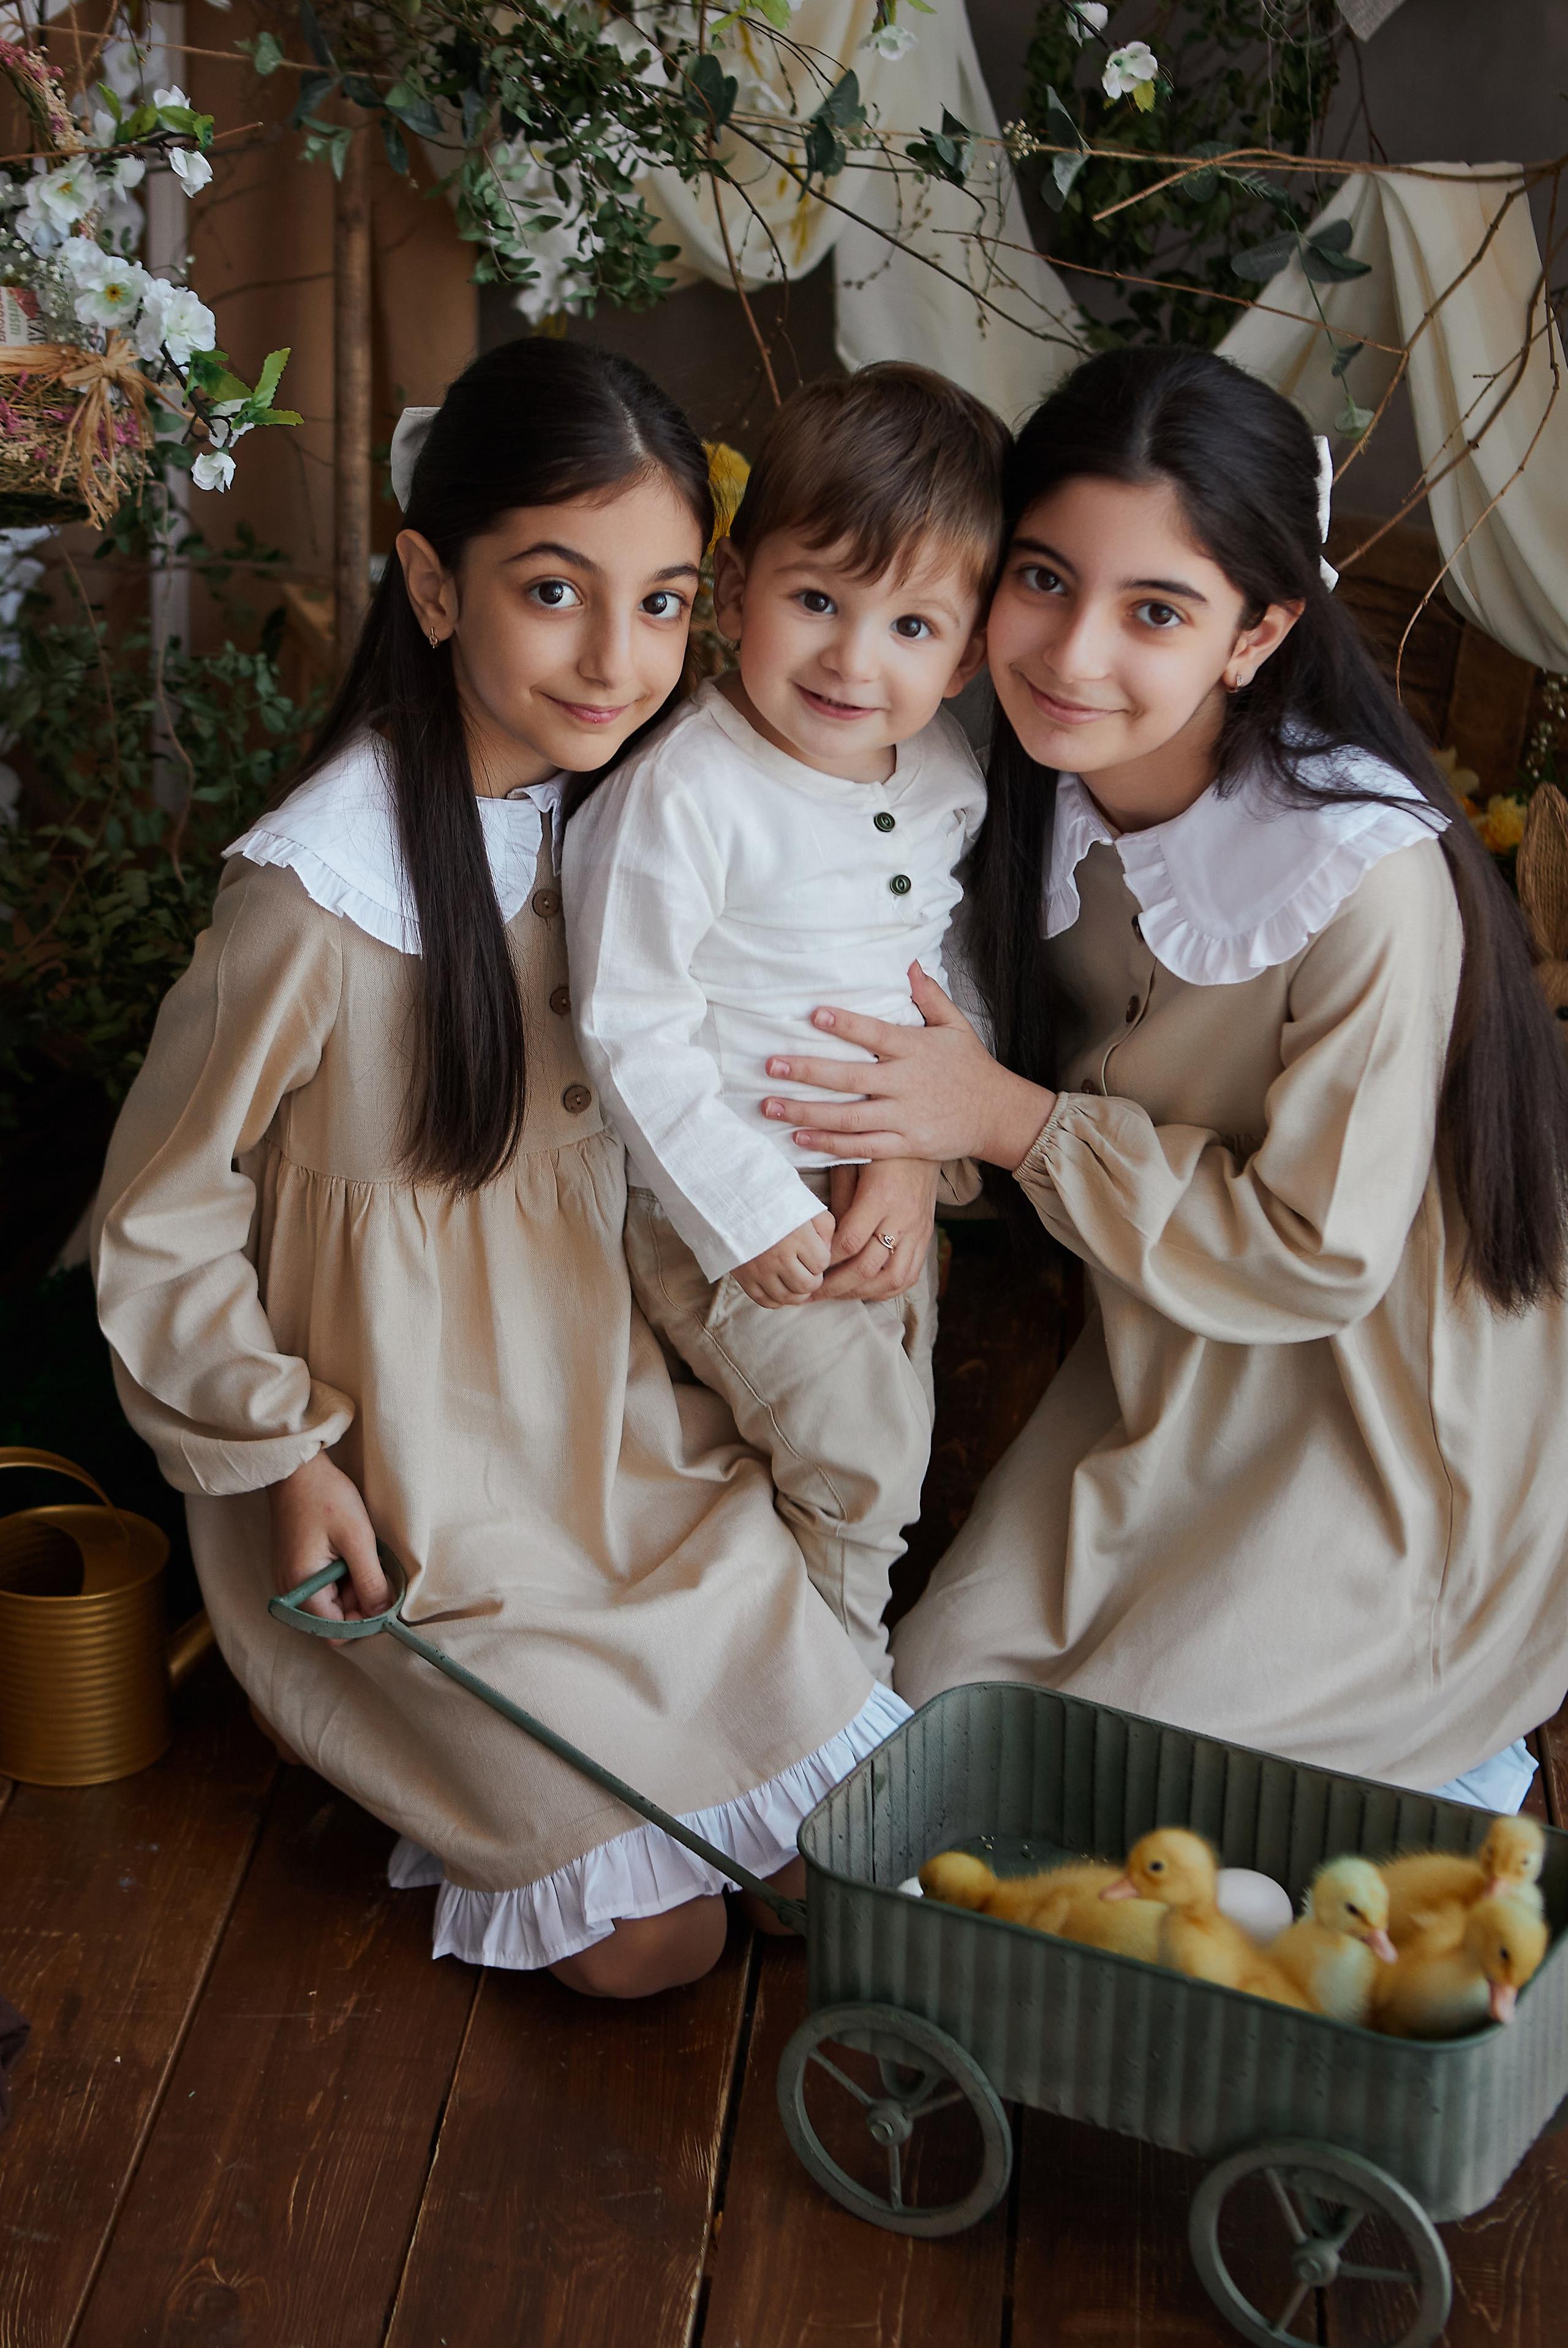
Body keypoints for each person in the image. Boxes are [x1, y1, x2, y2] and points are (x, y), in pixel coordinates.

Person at [91, 338, 905, 2000]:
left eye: (668, 602)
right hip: (401, 1497)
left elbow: (832, 991)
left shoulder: (635, 826)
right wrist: (276, 1453)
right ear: (434, 586)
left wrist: (892, 1148)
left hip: (610, 1449)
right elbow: (157, 1212)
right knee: (650, 1946)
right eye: (556, 590)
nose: (619, 658)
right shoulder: (319, 893)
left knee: (847, 1861)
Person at [756, 343, 1568, 1808]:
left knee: (1077, 1812)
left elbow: (1318, 1258)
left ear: (1254, 636)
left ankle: (1450, 1739)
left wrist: (1003, 1122)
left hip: (1372, 1415)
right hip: (1155, 1369)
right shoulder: (989, 778)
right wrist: (907, 1142)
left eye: (1156, 612)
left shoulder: (1356, 881)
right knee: (906, 1767)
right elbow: (917, 1015)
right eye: (1045, 579)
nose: (1072, 657)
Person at [564, 366, 1003, 1680]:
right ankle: (831, 1721)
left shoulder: (941, 772)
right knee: (858, 1461)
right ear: (738, 585)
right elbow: (626, 1026)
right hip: (726, 1200)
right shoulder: (686, 791)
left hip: (884, 1188)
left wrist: (915, 1154)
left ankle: (776, 1671)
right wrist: (752, 1211)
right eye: (816, 600)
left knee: (886, 1438)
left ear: (969, 653)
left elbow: (945, 975)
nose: (851, 661)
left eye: (912, 628)